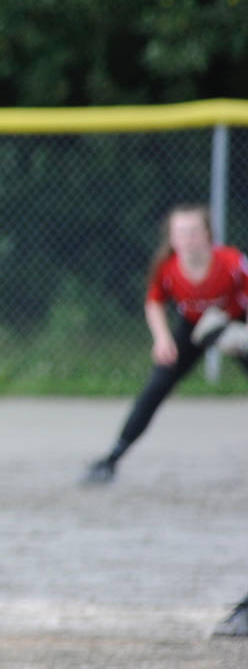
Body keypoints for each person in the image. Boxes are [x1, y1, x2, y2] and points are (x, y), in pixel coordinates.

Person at [83, 205, 248, 485]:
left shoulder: (232, 262)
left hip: (236, 323)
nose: (188, 239)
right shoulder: (168, 269)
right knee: (156, 386)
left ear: (209, 235)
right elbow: (155, 302)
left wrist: (240, 337)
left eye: (194, 232)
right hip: (194, 328)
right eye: (181, 233)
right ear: (171, 238)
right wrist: (162, 338)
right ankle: (111, 459)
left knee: (225, 334)